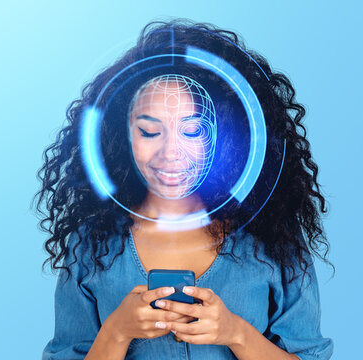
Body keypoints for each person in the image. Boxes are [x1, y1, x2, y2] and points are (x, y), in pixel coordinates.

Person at [34, 19, 334, 360]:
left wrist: (235, 333)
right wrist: (117, 332)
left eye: (192, 131)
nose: (170, 153)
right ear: (120, 137)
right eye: (149, 132)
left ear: (223, 136)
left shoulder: (272, 240)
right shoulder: (91, 247)